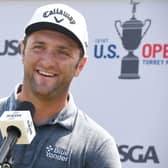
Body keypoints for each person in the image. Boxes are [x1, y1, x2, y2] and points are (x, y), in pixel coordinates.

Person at [0, 3, 121, 168]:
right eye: (39, 47)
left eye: (62, 52)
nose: (48, 61)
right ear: (22, 51)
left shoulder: (96, 146)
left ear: (80, 65)